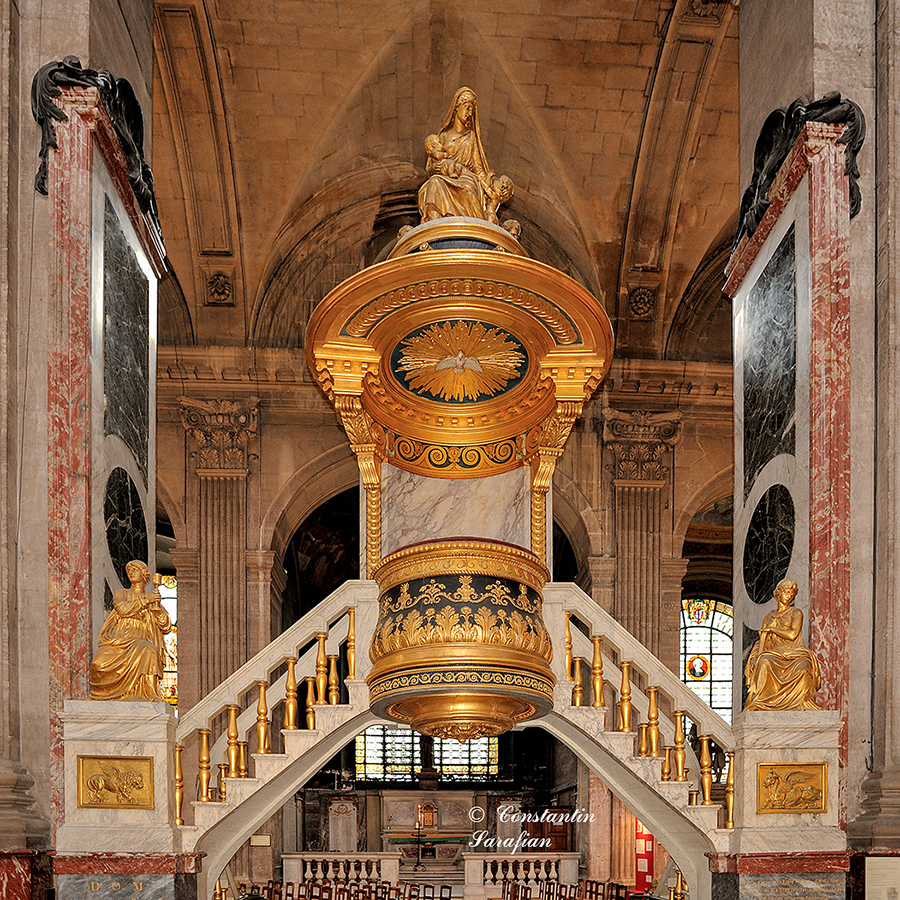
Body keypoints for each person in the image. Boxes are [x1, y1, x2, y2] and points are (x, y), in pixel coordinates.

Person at [418, 87, 513, 224]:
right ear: (457, 107)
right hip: (444, 177)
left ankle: (480, 226)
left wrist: (488, 185)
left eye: (472, 110)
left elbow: (478, 168)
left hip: (466, 177)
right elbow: (430, 169)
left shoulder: (471, 136)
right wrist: (438, 168)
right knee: (434, 182)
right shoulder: (443, 136)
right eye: (467, 107)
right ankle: (434, 223)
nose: (469, 113)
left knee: (468, 189)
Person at [90, 560, 172, 701]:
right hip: (119, 640)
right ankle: (105, 696)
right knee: (98, 664)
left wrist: (158, 612)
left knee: (150, 651)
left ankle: (150, 693)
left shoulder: (153, 599)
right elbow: (122, 610)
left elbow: (166, 626)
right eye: (129, 571)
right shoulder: (121, 593)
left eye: (135, 570)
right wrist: (146, 601)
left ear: (144, 575)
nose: (131, 573)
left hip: (140, 640)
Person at [744, 578, 821, 711]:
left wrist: (772, 629)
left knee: (804, 669)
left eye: (792, 593)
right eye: (786, 592)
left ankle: (801, 702)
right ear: (778, 594)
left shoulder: (796, 613)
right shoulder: (768, 617)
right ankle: (762, 702)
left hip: (795, 653)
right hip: (774, 653)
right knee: (764, 662)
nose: (789, 595)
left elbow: (793, 634)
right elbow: (763, 640)